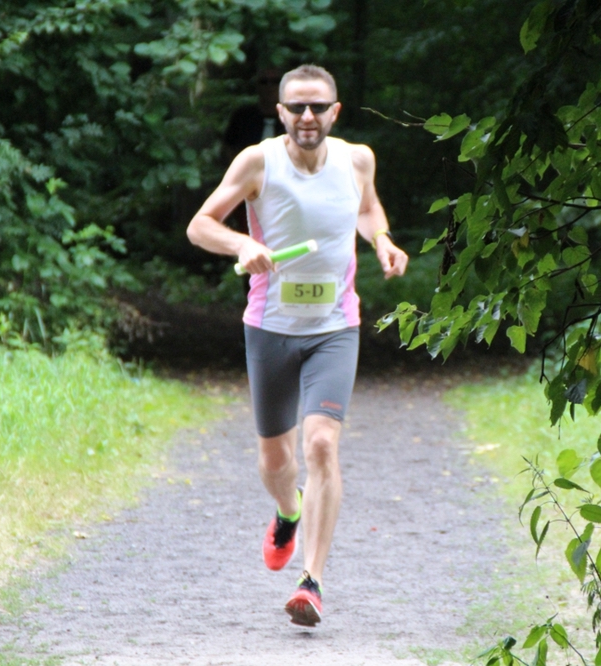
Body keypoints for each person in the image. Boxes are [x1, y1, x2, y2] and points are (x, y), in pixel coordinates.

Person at [186, 64, 408, 627]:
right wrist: (242, 244)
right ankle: (289, 510)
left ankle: (311, 582)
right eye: (297, 107)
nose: (308, 116)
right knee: (275, 461)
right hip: (270, 327)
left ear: (335, 111)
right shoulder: (258, 162)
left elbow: (367, 208)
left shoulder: (357, 160)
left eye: (318, 107)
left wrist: (382, 240)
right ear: (280, 111)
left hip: (335, 327)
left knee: (322, 445)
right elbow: (200, 225)